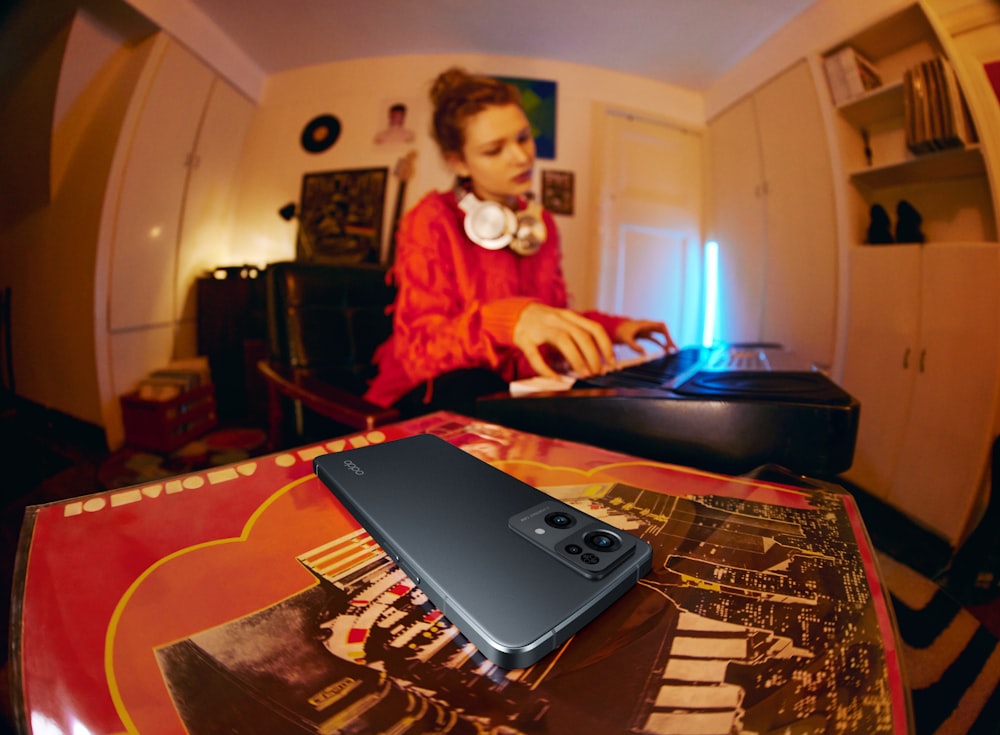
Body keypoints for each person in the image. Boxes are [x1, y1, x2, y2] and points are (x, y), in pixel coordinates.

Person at [365, 67, 675, 417]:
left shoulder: (541, 223)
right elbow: (420, 352)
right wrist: (507, 322)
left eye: (523, 137)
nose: (521, 157)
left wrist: (615, 328)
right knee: (476, 384)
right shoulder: (431, 218)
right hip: (428, 395)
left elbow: (549, 316)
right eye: (494, 149)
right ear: (458, 162)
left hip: (507, 393)